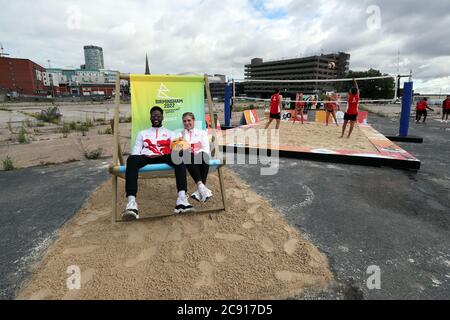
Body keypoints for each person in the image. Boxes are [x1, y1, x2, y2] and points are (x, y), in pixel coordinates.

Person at [122, 106, 193, 220]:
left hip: (164, 156)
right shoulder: (142, 133)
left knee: (179, 156)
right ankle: (131, 203)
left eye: (158, 115)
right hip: (146, 157)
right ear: (150, 117)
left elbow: (177, 148)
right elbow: (136, 150)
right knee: (131, 159)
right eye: (153, 115)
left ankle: (181, 199)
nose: (156, 117)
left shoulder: (170, 133)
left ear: (162, 117)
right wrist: (135, 158)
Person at [176, 112, 213, 202]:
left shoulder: (202, 133)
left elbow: (205, 149)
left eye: (189, 120)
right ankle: (202, 188)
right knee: (187, 154)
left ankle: (199, 190)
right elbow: (177, 151)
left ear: (194, 121)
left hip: (201, 158)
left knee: (204, 156)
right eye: (184, 121)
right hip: (188, 159)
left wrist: (195, 153)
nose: (187, 123)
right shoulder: (179, 135)